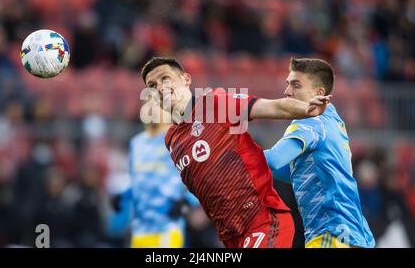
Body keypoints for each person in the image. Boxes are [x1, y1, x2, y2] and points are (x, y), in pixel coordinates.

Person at [140, 57, 330, 248]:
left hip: (261, 220)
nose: (160, 87)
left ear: (186, 79)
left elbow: (274, 106)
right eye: (152, 85)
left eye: (165, 78)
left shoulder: (215, 103)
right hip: (231, 237)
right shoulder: (172, 140)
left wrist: (308, 108)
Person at [264, 58, 375, 248]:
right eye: (288, 84)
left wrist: (233, 153)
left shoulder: (310, 122)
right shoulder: (333, 120)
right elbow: (291, 171)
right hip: (354, 234)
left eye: (296, 85)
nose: (287, 92)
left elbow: (274, 159)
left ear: (319, 93)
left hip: (331, 233)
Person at [109, 100, 202, 248]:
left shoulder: (178, 140)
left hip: (168, 226)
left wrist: (187, 202)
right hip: (140, 228)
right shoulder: (137, 143)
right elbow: (139, 181)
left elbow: (197, 178)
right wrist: (123, 196)